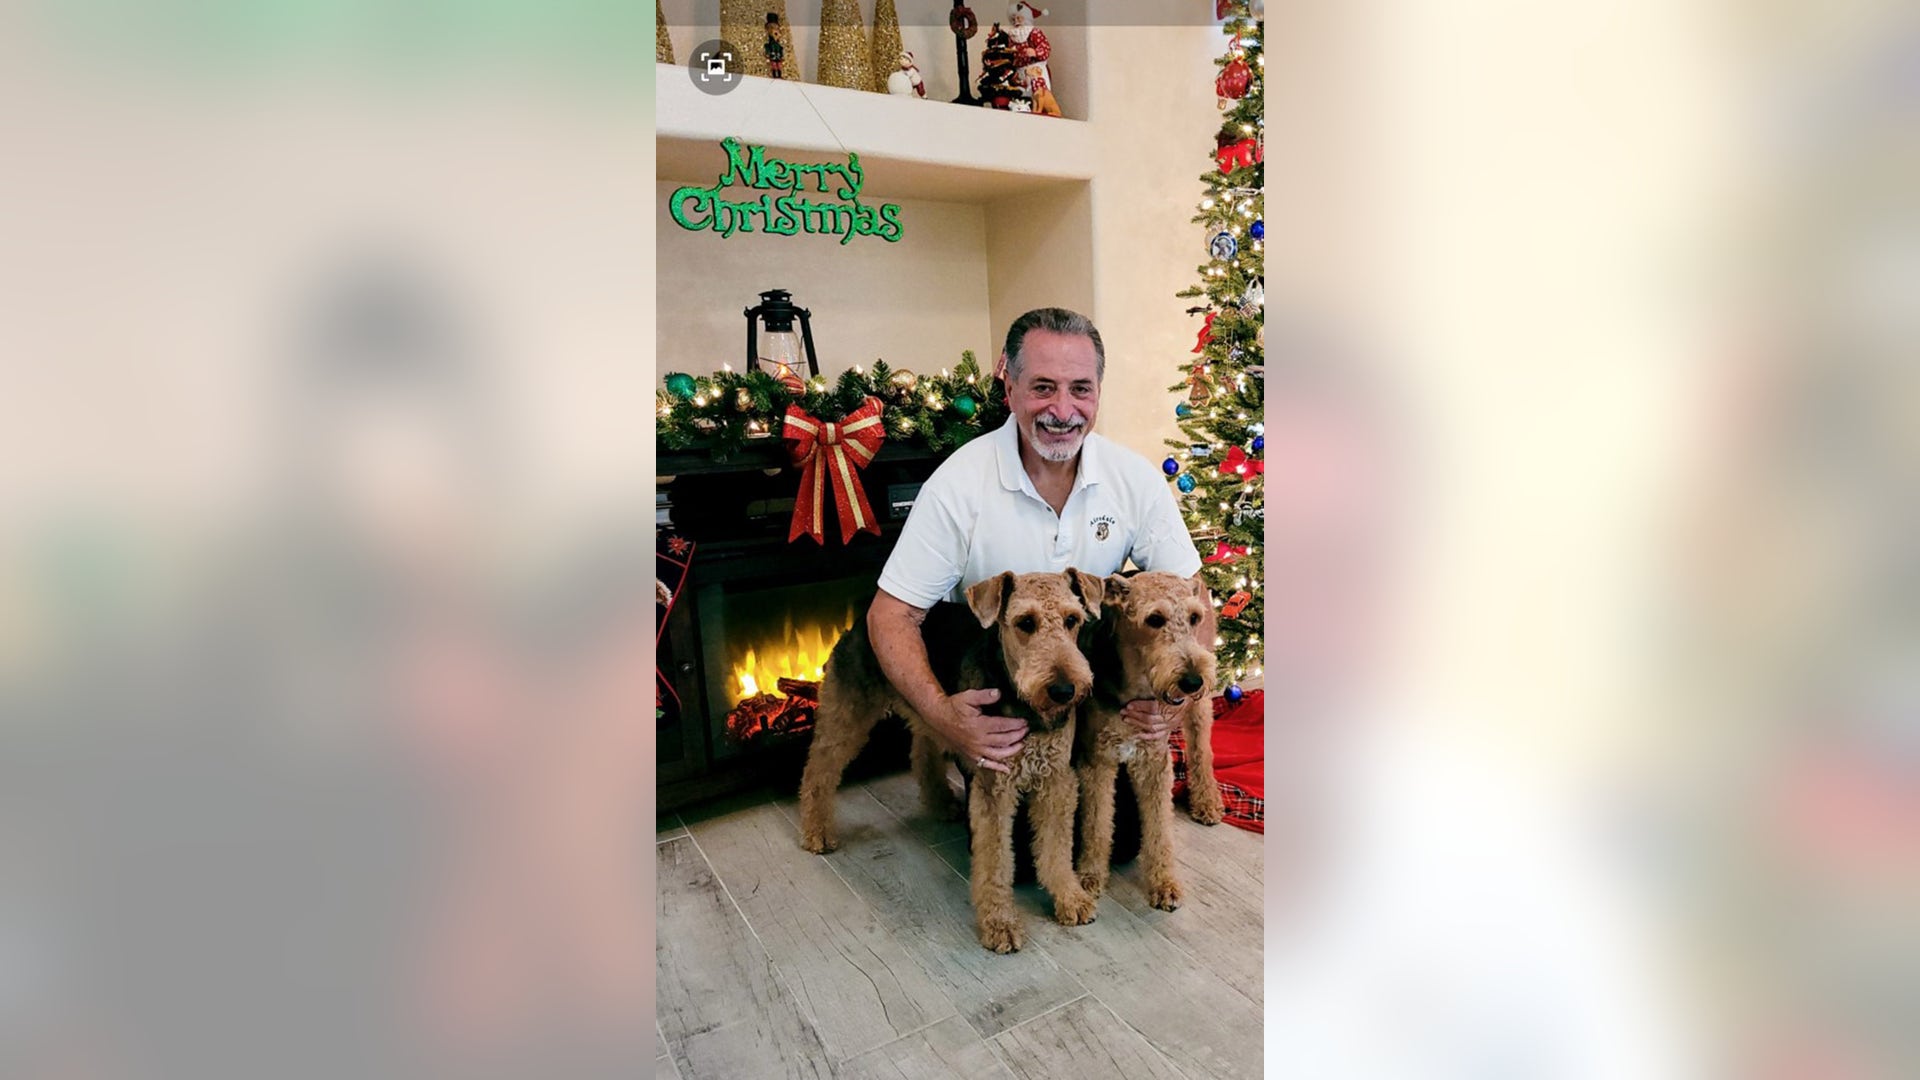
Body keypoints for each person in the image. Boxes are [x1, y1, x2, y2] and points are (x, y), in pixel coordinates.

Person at [868, 307, 1211, 775]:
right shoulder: (956, 485)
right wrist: (945, 717)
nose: (1064, 411)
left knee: (1122, 841)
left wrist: (1175, 705)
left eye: (1081, 389)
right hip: (999, 694)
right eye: (1043, 387)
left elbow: (1193, 591)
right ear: (1009, 388)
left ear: (1098, 393)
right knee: (1023, 848)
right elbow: (891, 615)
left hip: (1095, 697)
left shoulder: (1135, 479)